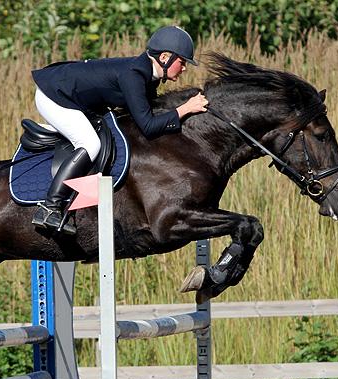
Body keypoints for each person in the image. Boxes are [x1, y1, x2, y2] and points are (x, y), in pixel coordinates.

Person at [30, 25, 209, 235]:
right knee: (90, 143)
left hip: (76, 98)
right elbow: (149, 127)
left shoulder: (147, 76)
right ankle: (50, 208)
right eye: (182, 62)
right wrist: (186, 108)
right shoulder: (134, 75)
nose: (185, 68)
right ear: (164, 57)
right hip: (54, 95)